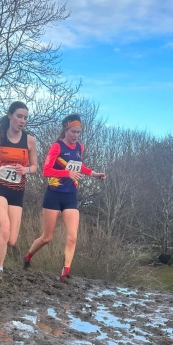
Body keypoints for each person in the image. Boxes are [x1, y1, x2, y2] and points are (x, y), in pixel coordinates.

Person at [22, 113, 106, 281]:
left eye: (78, 132)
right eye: (73, 132)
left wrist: (94, 174)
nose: (75, 136)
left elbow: (78, 165)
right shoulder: (57, 147)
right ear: (66, 129)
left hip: (71, 197)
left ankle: (65, 272)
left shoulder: (80, 148)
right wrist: (67, 173)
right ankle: (28, 257)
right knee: (47, 237)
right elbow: (46, 171)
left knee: (73, 236)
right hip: (53, 195)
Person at [0, 102, 38, 278]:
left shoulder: (30, 140)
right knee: (5, 228)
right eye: (19, 116)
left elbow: (35, 166)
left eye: (25, 118)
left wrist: (26, 170)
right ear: (10, 115)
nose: (22, 121)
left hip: (17, 192)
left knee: (11, 239)